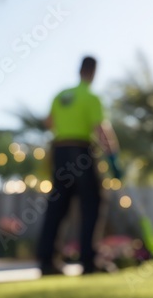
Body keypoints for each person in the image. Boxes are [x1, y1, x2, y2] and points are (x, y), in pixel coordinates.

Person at [36, 56, 121, 275]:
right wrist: (113, 158)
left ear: (78, 70)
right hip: (81, 151)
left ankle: (47, 261)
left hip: (60, 152)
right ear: (93, 72)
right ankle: (88, 261)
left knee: (58, 205)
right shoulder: (90, 97)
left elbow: (48, 122)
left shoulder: (61, 95)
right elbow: (101, 129)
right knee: (92, 203)